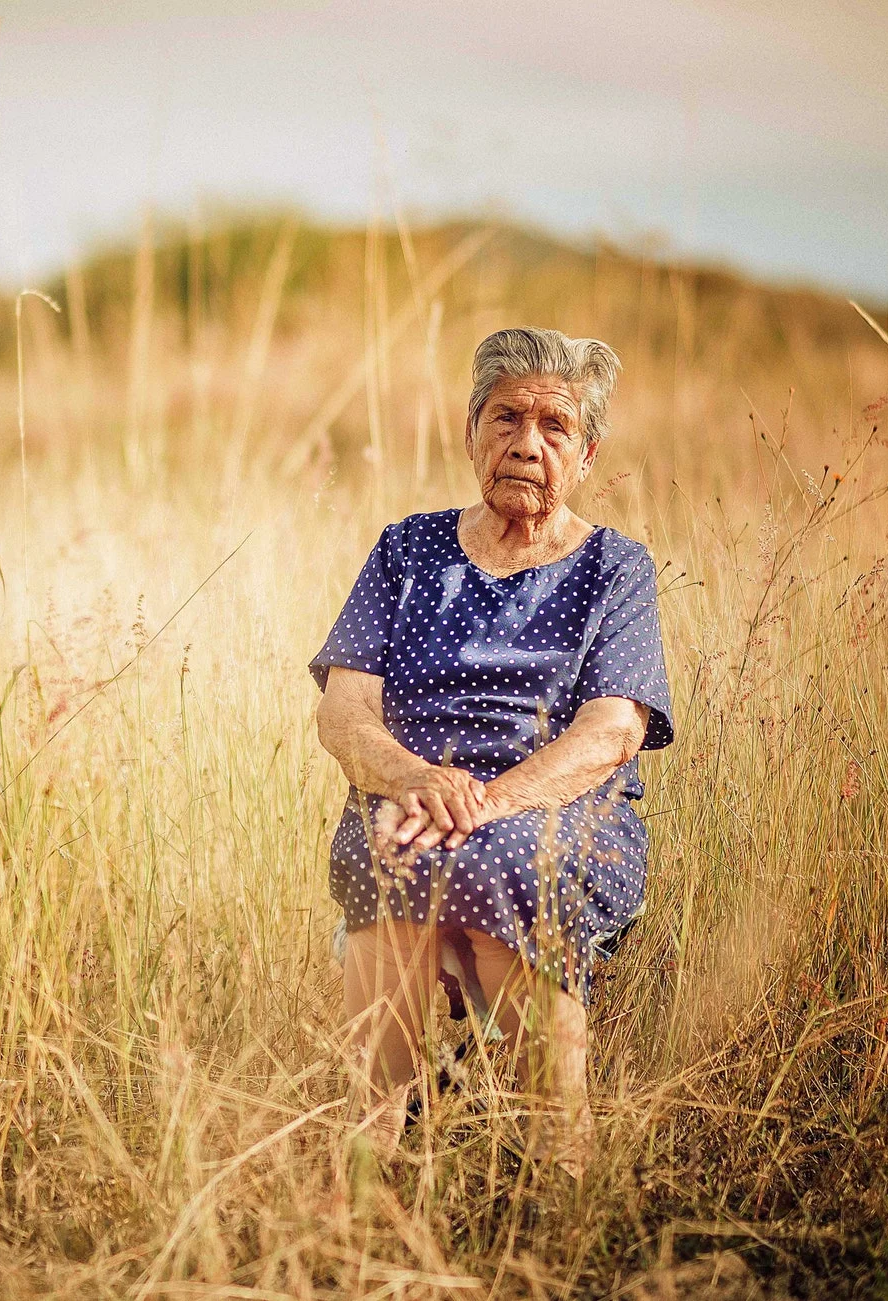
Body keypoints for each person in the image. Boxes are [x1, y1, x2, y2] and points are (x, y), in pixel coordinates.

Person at [310, 327, 674, 1173]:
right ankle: (368, 1148)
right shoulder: (407, 550)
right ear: (471, 430)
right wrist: (416, 779)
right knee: (387, 846)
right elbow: (344, 711)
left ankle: (557, 1146)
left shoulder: (615, 569)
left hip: (556, 814)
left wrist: (486, 801)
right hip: (414, 804)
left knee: (504, 857)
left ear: (585, 453)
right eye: (505, 417)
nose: (526, 442)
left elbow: (613, 728)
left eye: (554, 426)